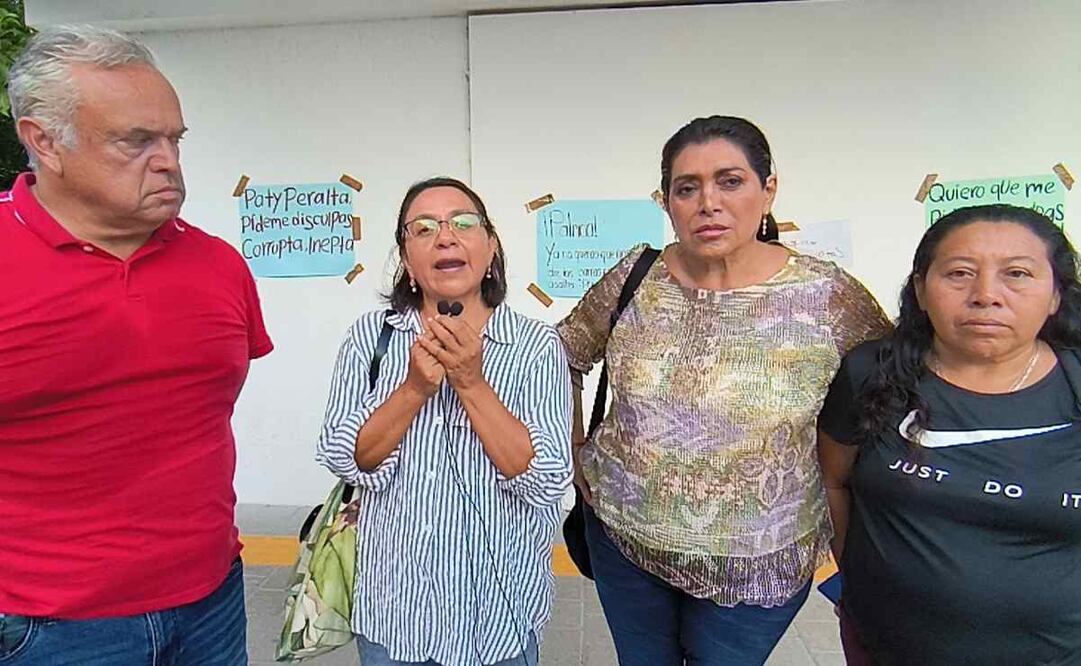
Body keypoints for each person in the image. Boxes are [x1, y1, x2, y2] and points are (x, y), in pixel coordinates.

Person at [557, 115, 890, 665]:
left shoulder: (827, 296)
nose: (708, 202)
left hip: (759, 567)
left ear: (768, 189)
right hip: (623, 538)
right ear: (667, 202)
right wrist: (572, 451)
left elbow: (887, 390)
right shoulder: (636, 276)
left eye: (730, 181)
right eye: (687, 188)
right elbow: (560, 356)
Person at [0, 26, 272, 665]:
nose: (168, 161)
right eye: (135, 140)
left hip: (213, 601)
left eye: (174, 139)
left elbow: (196, 418)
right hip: (48, 626)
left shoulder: (218, 265)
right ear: (44, 141)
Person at [316, 177, 572, 666]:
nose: (446, 237)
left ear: (491, 247)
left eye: (464, 223)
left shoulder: (535, 346)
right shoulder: (372, 338)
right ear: (407, 260)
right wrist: (413, 389)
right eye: (424, 228)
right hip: (395, 615)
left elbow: (547, 479)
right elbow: (348, 459)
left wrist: (472, 384)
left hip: (498, 620)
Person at [818, 204, 1081, 665]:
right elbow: (834, 481)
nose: (986, 295)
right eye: (959, 273)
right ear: (921, 289)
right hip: (884, 646)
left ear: (1056, 294)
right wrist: (856, 575)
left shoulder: (1074, 385)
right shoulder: (871, 374)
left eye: (1017, 274)